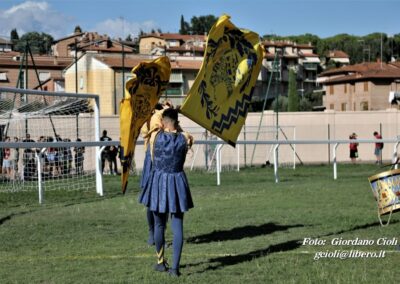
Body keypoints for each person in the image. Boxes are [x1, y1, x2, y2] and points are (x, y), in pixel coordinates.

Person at [139, 108, 193, 277]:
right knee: (178, 227)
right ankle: (175, 269)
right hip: (177, 182)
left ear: (163, 122)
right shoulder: (185, 138)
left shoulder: (155, 136)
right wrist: (176, 125)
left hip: (158, 182)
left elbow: (151, 126)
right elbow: (185, 135)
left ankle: (161, 262)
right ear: (177, 122)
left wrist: (161, 112)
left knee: (159, 225)